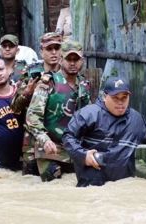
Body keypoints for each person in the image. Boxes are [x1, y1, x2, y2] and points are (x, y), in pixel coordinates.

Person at [62, 76, 146, 187]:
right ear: (105, 97)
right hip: (92, 190)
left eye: (124, 98)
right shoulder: (88, 114)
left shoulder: (136, 120)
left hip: (123, 188)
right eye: (115, 98)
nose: (120, 102)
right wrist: (83, 156)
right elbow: (68, 136)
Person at [23, 40, 91, 181]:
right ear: (61, 59)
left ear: (82, 60)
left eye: (76, 59)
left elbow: (90, 117)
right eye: (69, 59)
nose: (72, 63)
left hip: (74, 147)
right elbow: (32, 117)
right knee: (53, 183)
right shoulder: (48, 83)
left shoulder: (84, 85)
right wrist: (44, 140)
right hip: (49, 147)